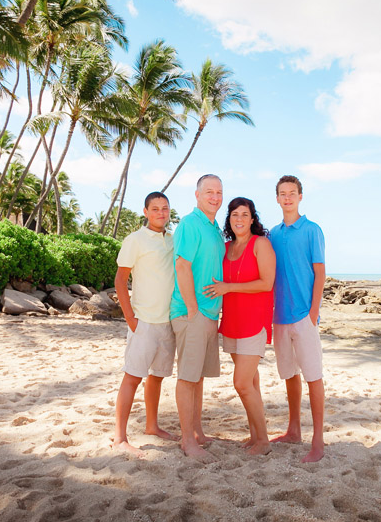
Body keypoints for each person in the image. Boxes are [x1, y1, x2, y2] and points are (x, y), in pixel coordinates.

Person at [204, 197, 275, 456]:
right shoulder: (226, 247)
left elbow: (267, 283)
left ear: (252, 219)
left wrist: (229, 287)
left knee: (242, 383)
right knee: (251, 382)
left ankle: (264, 441)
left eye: (245, 214)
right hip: (232, 321)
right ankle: (255, 436)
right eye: (235, 214)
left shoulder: (261, 244)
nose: (240, 219)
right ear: (229, 219)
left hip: (254, 322)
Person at [112, 192, 178, 457]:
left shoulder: (173, 240)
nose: (161, 213)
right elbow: (120, 280)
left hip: (168, 321)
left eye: (165, 208)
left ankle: (152, 426)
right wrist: (130, 317)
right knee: (132, 377)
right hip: (143, 322)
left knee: (157, 377)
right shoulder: (135, 240)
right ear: (146, 212)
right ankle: (119, 438)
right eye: (155, 209)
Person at [270, 175, 327, 463]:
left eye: (292, 193)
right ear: (277, 199)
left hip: (305, 316)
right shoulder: (273, 234)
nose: (288, 198)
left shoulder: (312, 230)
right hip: (279, 317)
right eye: (283, 193)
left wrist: (313, 312)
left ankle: (318, 440)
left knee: (313, 376)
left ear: (300, 196)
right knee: (290, 375)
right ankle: (294, 430)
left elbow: (320, 273)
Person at [170, 174, 225, 462]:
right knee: (188, 377)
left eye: (219, 192)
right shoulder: (190, 223)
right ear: (197, 195)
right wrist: (192, 308)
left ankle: (197, 432)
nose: (215, 197)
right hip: (192, 313)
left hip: (209, 314)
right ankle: (187, 441)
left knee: (198, 377)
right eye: (209, 192)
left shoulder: (214, 228)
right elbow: (182, 266)